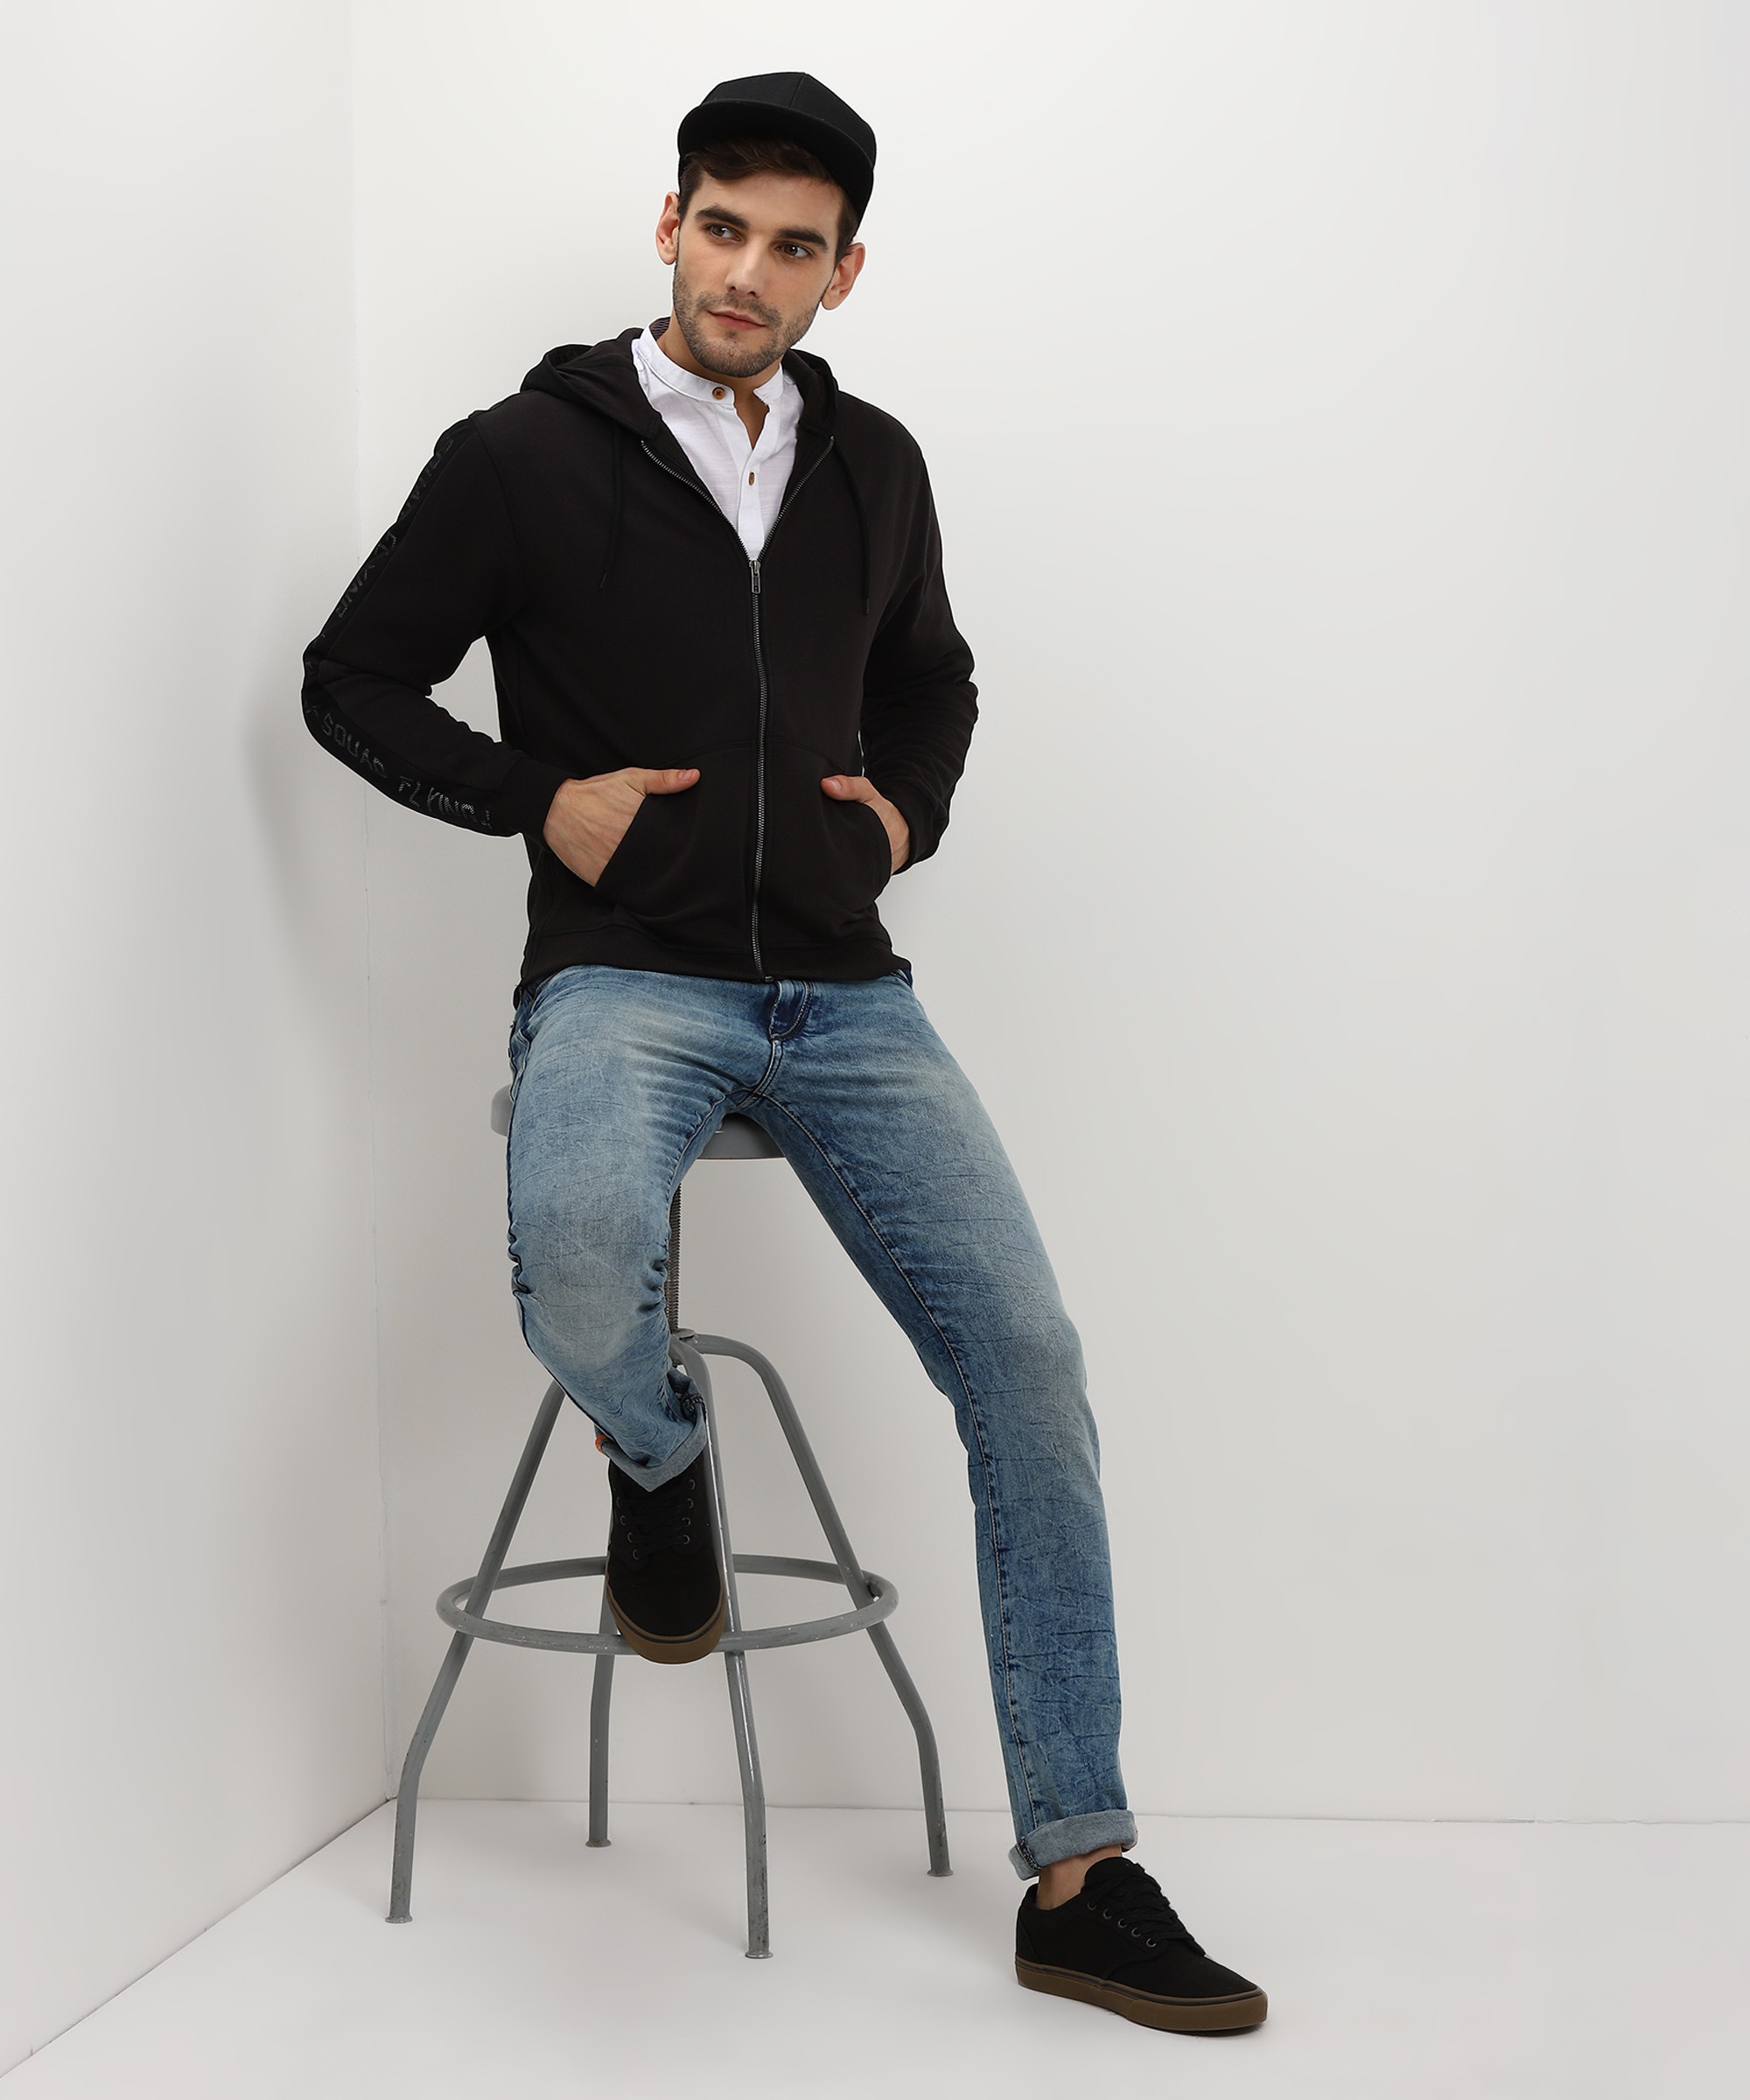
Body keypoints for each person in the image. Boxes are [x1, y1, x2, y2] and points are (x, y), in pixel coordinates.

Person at [302, 70, 1266, 2035]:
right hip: (624, 978)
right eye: (723, 228)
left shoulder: (875, 464)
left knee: (1030, 1366)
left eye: (794, 246)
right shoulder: (520, 454)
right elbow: (352, 677)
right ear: (670, 226)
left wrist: (898, 819)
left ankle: (1081, 1875)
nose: (749, 272)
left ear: (845, 272)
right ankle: (658, 1451)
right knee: (582, 1249)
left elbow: (935, 677)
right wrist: (539, 801)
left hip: (846, 991)